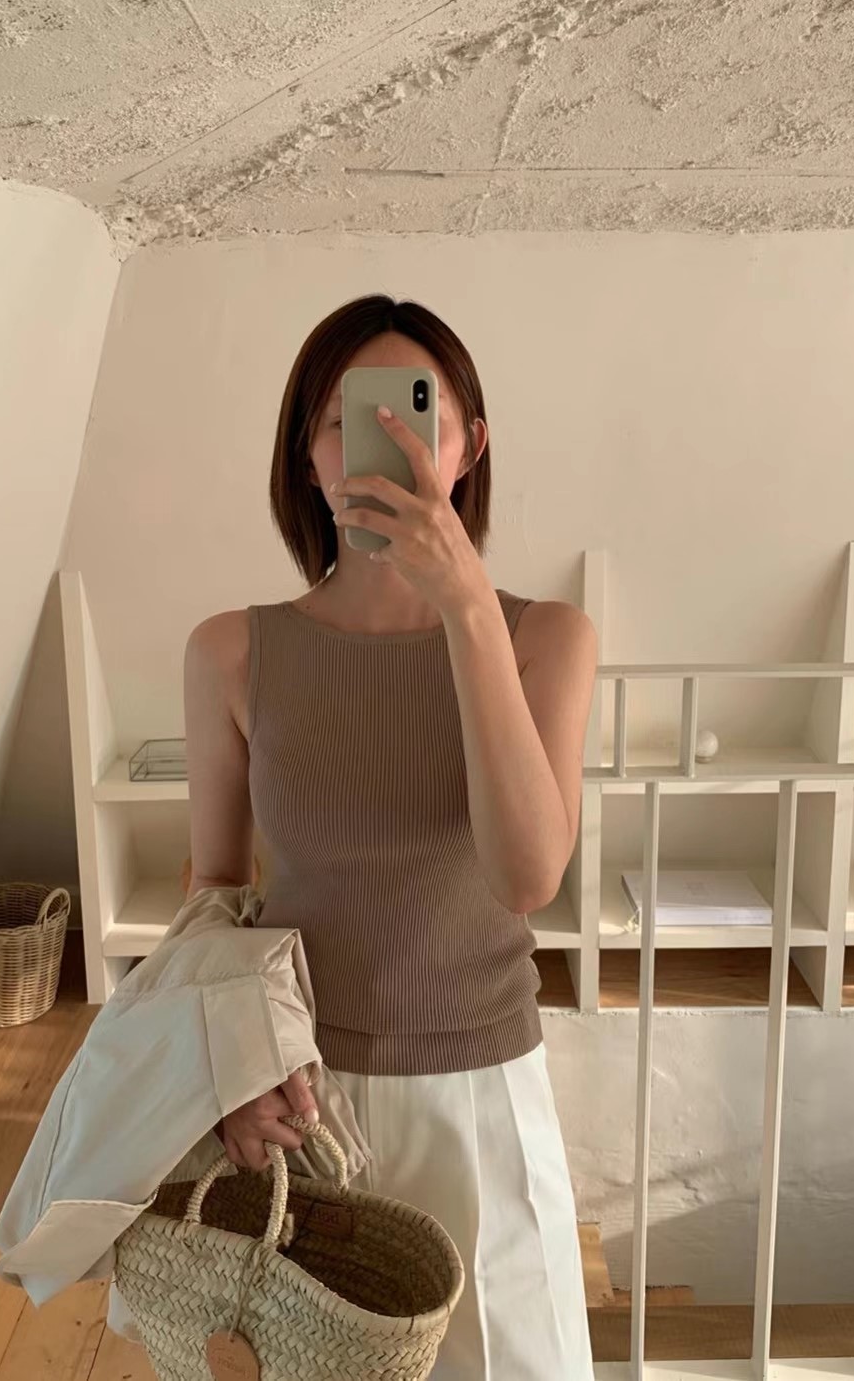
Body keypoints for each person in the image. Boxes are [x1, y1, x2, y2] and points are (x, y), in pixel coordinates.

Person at [183, 293, 598, 1379]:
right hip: (300, 1101)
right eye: (342, 420)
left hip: (483, 1099)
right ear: (307, 454)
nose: (380, 444)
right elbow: (216, 884)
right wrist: (233, 1064)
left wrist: (466, 609)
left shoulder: (548, 639)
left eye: (418, 415)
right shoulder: (231, 653)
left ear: (470, 446)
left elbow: (527, 874)